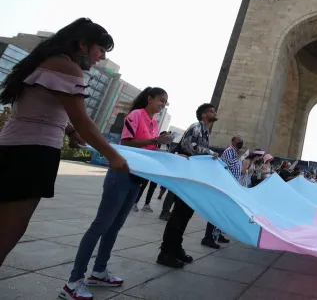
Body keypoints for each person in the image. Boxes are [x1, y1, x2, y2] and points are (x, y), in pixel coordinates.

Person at [0, 18, 129, 268]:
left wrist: (69, 130)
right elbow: (83, 120)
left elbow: (42, 108)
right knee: (8, 232)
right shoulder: (68, 68)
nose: (100, 57)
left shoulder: (44, 62)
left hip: (11, 148)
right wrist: (112, 155)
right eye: (100, 50)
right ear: (82, 44)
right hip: (31, 156)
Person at [61, 87, 172, 300]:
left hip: (136, 178)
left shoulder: (154, 123)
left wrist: (165, 151)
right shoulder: (135, 115)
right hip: (119, 175)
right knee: (100, 225)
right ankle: (73, 282)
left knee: (115, 227)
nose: (162, 105)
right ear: (149, 99)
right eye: (160, 100)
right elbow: (127, 143)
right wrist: (155, 141)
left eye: (165, 103)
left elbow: (147, 150)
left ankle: (99, 271)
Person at [158, 103, 226, 267]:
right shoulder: (196, 127)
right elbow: (189, 146)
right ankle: (166, 252)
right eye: (212, 110)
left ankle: (176, 247)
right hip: (186, 177)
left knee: (185, 214)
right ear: (203, 115)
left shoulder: (206, 132)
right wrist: (211, 153)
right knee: (178, 215)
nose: (215, 112)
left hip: (193, 178)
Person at [199, 136, 243, 248]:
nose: (240, 142)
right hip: (225, 186)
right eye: (238, 140)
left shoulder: (234, 152)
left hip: (229, 186)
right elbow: (226, 166)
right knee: (217, 211)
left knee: (223, 212)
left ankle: (217, 235)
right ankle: (208, 237)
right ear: (233, 141)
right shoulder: (229, 151)